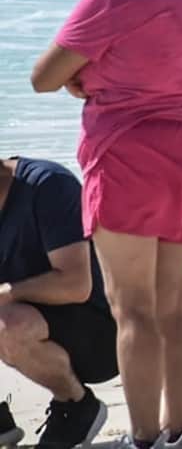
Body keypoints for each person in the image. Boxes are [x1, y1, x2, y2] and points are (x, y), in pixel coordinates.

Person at [30, 0, 182, 449]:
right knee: (174, 304)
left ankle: (142, 440)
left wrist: (83, 80)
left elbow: (44, 76)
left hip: (130, 152)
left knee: (131, 308)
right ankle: (178, 432)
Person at [0, 157, 116, 449]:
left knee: (6, 323)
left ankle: (76, 405)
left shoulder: (48, 185)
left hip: (99, 332)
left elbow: (76, 285)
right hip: (33, 318)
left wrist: (6, 293)